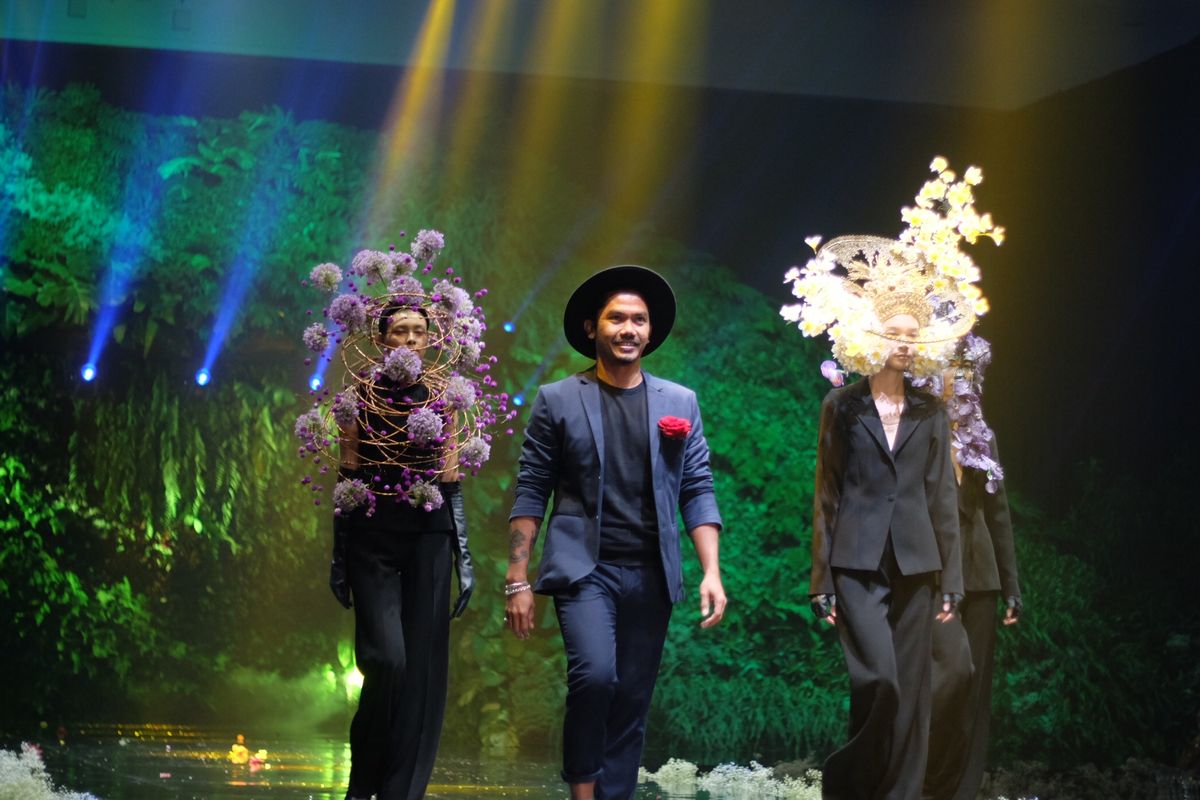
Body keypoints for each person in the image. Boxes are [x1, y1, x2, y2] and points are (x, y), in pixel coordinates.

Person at [505, 265, 727, 800]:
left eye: (639, 320)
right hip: (585, 568)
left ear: (650, 332)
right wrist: (517, 579)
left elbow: (697, 488)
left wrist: (711, 571)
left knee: (631, 696)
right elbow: (533, 488)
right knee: (596, 678)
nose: (628, 328)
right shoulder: (559, 398)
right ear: (592, 328)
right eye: (616, 318)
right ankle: (583, 793)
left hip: (652, 571)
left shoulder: (680, 403)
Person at [809, 298, 964, 800]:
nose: (903, 341)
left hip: (917, 562)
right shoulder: (842, 405)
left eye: (911, 334)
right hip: (855, 562)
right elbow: (827, 493)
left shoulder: (930, 410)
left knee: (913, 692)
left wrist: (953, 579)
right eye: (893, 331)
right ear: (868, 336)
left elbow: (942, 494)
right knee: (881, 682)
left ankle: (898, 794)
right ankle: (850, 783)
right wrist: (821, 579)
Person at [328, 303, 474, 800]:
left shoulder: (444, 400)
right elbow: (346, 477)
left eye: (419, 332)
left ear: (430, 340)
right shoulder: (357, 397)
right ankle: (362, 780)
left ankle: (400, 791)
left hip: (429, 539)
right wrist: (339, 555)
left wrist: (465, 557)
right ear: (382, 339)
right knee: (387, 661)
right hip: (373, 538)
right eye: (400, 331)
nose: (410, 340)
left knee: (421, 675)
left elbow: (452, 480)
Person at [923, 339, 1021, 800]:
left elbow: (998, 514)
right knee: (942, 679)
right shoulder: (918, 427)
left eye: (965, 370)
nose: (958, 377)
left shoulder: (984, 435)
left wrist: (1012, 587)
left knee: (974, 688)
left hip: (979, 577)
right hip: (928, 574)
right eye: (950, 368)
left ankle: (961, 790)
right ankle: (924, 778)